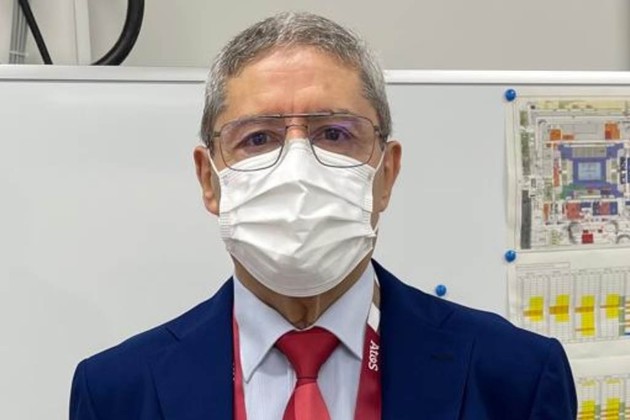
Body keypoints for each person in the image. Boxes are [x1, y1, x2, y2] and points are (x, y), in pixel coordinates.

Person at [70, 11, 577, 420]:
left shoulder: (516, 377)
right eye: (258, 138)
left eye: (334, 134)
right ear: (209, 179)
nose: (297, 170)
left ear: (386, 173)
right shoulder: (118, 392)